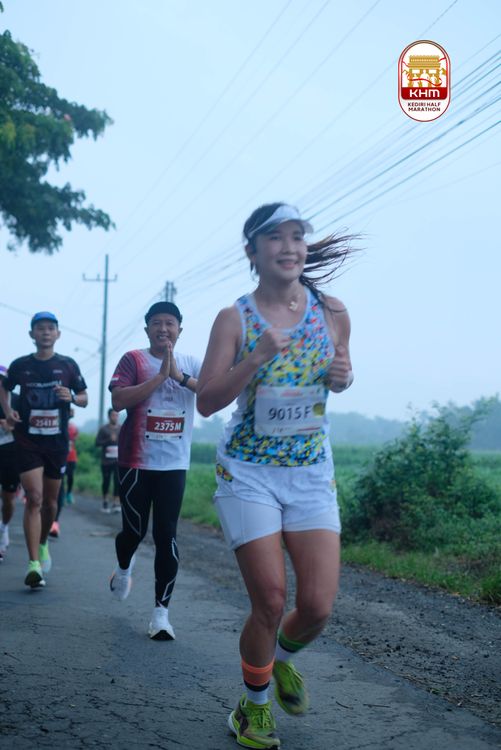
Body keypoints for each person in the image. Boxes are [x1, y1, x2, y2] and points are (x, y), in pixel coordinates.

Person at [197, 203, 356, 749]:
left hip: (309, 471)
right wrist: (255, 356)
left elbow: (341, 375)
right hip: (248, 473)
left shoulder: (332, 311)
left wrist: (343, 376)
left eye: (297, 237)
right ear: (252, 250)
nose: (289, 247)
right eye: (275, 238)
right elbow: (207, 400)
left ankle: (280, 660)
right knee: (269, 599)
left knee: (317, 606)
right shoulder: (235, 319)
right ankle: (254, 707)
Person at [108, 301, 201, 640]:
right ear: (147, 329)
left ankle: (161, 615)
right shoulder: (133, 360)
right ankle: (124, 567)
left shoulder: (192, 363)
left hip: (173, 465)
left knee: (166, 535)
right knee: (133, 532)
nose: (164, 328)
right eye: (157, 323)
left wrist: (180, 377)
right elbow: (118, 400)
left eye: (170, 323)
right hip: (135, 462)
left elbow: (214, 394)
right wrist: (160, 377)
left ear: (179, 329)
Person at [0, 312, 88, 588]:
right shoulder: (20, 365)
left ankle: (42, 543)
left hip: (57, 444)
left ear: (58, 334)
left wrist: (71, 396)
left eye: (51, 328)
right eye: (40, 328)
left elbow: (84, 398)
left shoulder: (68, 365)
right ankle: (33, 564)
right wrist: (8, 411)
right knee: (34, 498)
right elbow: (3, 388)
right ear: (32, 334)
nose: (46, 332)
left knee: (50, 503)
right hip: (27, 442)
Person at [0, 366, 20, 562]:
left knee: (8, 499)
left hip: (11, 454)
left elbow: (27, 426)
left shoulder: (17, 400)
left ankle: (4, 527)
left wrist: (12, 426)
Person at [50, 408, 78, 538]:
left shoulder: (72, 428)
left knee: (62, 486)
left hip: (67, 458)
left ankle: (55, 522)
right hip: (50, 459)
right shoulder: (52, 423)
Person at [95, 408, 121, 513]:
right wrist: (108, 440)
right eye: (113, 415)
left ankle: (115, 502)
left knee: (117, 481)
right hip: (106, 461)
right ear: (109, 416)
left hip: (118, 460)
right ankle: (105, 501)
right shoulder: (103, 429)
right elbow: (97, 443)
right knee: (106, 481)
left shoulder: (121, 428)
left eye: (117, 415)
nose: (115, 417)